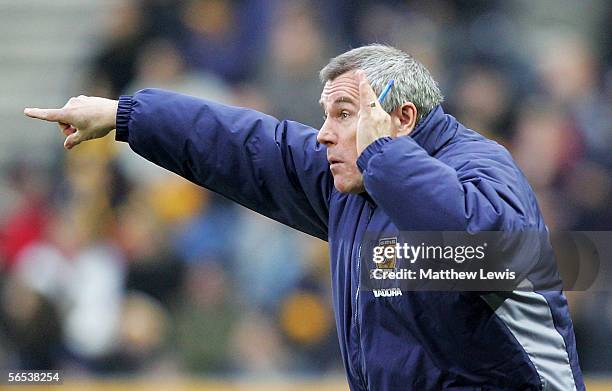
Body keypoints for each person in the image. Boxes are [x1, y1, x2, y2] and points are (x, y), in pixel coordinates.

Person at [25, 45, 584, 390]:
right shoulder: (350, 179)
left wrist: (382, 156)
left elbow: (480, 248)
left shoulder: (484, 168)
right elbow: (242, 144)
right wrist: (125, 116)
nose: (323, 133)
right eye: (325, 114)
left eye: (344, 114)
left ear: (404, 119)